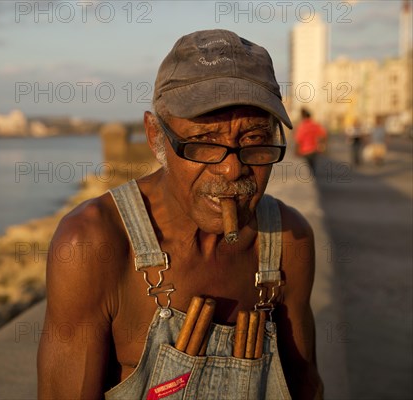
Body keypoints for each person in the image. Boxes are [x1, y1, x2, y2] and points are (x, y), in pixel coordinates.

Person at [38, 30, 323, 399]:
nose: (232, 170)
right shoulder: (93, 244)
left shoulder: (285, 241)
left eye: (254, 140)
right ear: (156, 135)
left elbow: (306, 386)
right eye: (204, 143)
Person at [295, 108, 327, 175]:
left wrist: (296, 150)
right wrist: (322, 144)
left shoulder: (302, 126)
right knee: (313, 166)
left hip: (305, 150)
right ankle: (313, 175)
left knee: (307, 167)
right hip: (314, 149)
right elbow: (324, 134)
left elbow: (298, 139)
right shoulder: (315, 125)